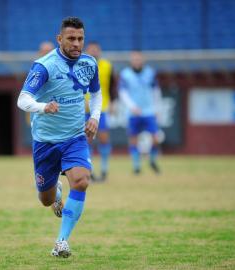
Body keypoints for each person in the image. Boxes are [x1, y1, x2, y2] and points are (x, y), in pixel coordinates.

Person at [17, 17, 101, 258]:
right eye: (71, 38)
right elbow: (22, 99)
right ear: (60, 39)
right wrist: (44, 107)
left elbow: (96, 93)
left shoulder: (89, 63)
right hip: (45, 141)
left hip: (75, 137)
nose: (77, 44)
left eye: (80, 39)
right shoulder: (44, 66)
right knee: (44, 199)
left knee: (82, 180)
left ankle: (61, 241)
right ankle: (55, 192)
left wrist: (94, 116)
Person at [119, 51, 162, 174]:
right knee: (133, 138)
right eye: (134, 59)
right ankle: (136, 165)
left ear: (143, 60)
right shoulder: (125, 74)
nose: (137, 61)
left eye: (139, 59)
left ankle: (152, 160)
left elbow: (156, 91)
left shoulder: (150, 73)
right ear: (131, 61)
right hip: (133, 112)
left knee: (155, 137)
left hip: (149, 110)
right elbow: (123, 93)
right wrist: (132, 106)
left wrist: (157, 108)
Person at [85, 42, 117, 182]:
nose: (94, 52)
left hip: (101, 108)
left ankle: (104, 171)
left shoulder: (107, 66)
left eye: (96, 50)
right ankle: (89, 171)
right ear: (87, 51)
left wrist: (113, 103)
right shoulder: (81, 65)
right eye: (91, 50)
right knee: (87, 140)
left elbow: (112, 86)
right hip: (83, 109)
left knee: (104, 138)